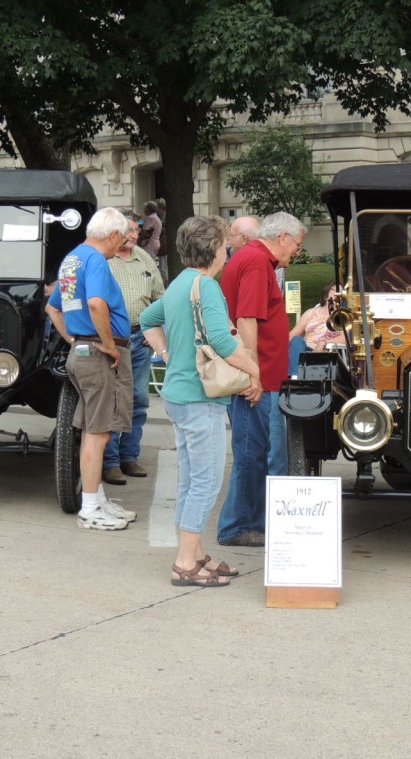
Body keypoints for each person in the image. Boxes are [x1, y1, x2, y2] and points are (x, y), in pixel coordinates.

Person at [141, 216, 262, 587]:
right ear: (214, 248)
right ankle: (185, 562)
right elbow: (224, 344)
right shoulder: (206, 286)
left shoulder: (180, 282)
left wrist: (166, 352)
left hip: (178, 394)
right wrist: (255, 371)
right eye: (225, 244)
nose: (228, 250)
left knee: (192, 479)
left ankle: (194, 553)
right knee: (206, 481)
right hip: (199, 397)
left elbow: (147, 318)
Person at [44, 207, 137, 531]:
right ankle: (90, 508)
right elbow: (97, 303)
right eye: (122, 239)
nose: (121, 246)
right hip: (98, 355)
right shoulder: (96, 259)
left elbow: (52, 307)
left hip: (82, 351)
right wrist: (110, 345)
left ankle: (96, 500)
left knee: (93, 432)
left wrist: (73, 337)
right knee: (98, 433)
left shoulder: (73, 258)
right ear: (112, 235)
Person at [216, 211, 305, 547]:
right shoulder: (256, 262)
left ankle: (248, 522)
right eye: (297, 243)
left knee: (254, 451)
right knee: (253, 453)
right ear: (282, 237)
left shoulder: (254, 260)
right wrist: (252, 373)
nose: (296, 251)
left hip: (263, 377)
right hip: (259, 379)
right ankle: (239, 526)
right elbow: (247, 318)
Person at [101, 209, 166, 486]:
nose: (134, 235)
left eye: (137, 231)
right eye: (129, 230)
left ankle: (129, 456)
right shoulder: (104, 260)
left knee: (138, 399)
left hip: (139, 339)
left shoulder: (145, 259)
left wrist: (157, 333)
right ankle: (110, 462)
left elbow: (160, 298)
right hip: (111, 341)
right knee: (115, 401)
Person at [288, 281, 344, 374]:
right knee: (297, 340)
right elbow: (292, 334)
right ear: (326, 293)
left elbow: (344, 338)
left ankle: (295, 378)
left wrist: (323, 343)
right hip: (304, 349)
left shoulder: (341, 316)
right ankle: (295, 376)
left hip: (324, 351)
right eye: (334, 289)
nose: (337, 293)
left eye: (340, 291)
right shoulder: (310, 313)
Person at [140, 200, 164, 278]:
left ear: (148, 209)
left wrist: (139, 239)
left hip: (150, 243)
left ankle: (147, 279)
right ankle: (152, 278)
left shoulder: (150, 218)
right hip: (156, 242)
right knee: (152, 262)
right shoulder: (156, 217)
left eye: (145, 209)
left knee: (147, 262)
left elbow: (144, 231)